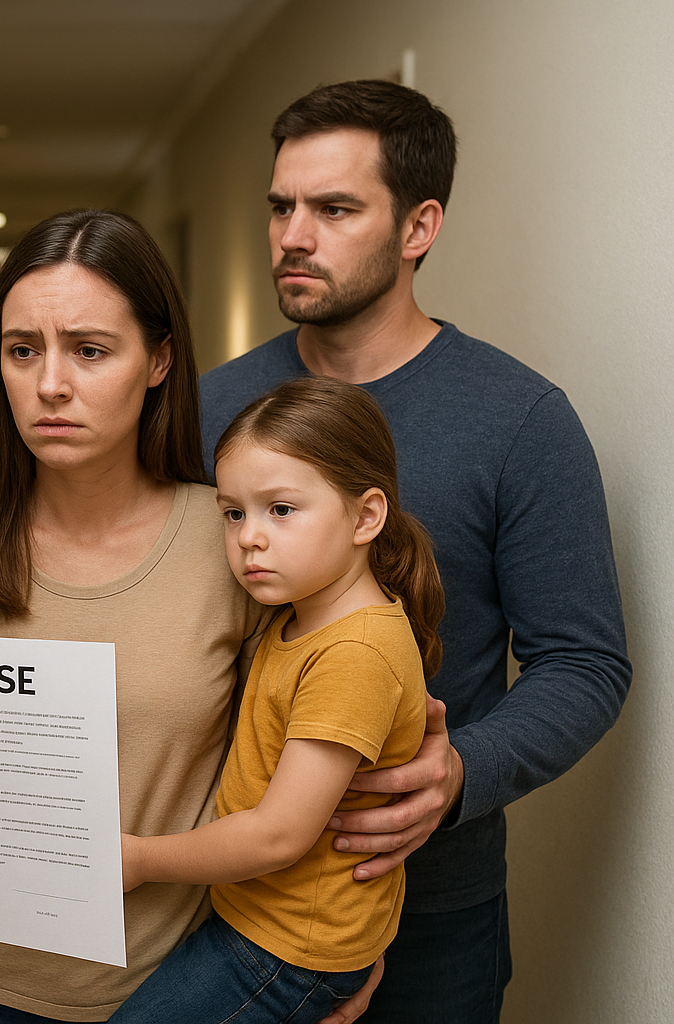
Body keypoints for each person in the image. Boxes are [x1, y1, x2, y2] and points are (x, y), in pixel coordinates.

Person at [0, 208, 390, 1024]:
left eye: (90, 350)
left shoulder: (236, 541)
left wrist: (326, 961)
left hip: (182, 981)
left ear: (159, 360)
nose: (51, 383)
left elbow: (327, 740)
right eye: (23, 351)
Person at [198, 79, 632, 1023]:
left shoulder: (519, 420)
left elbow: (585, 662)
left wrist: (461, 771)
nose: (292, 236)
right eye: (281, 206)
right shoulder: (210, 407)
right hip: (230, 890)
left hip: (430, 903)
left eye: (334, 208)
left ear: (419, 226)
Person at [109, 376, 439, 1023]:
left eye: (280, 510)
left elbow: (278, 836)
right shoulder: (302, 616)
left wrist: (141, 859)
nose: (249, 538)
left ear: (366, 517)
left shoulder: (354, 652)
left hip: (289, 949)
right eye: (233, 513)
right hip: (264, 922)